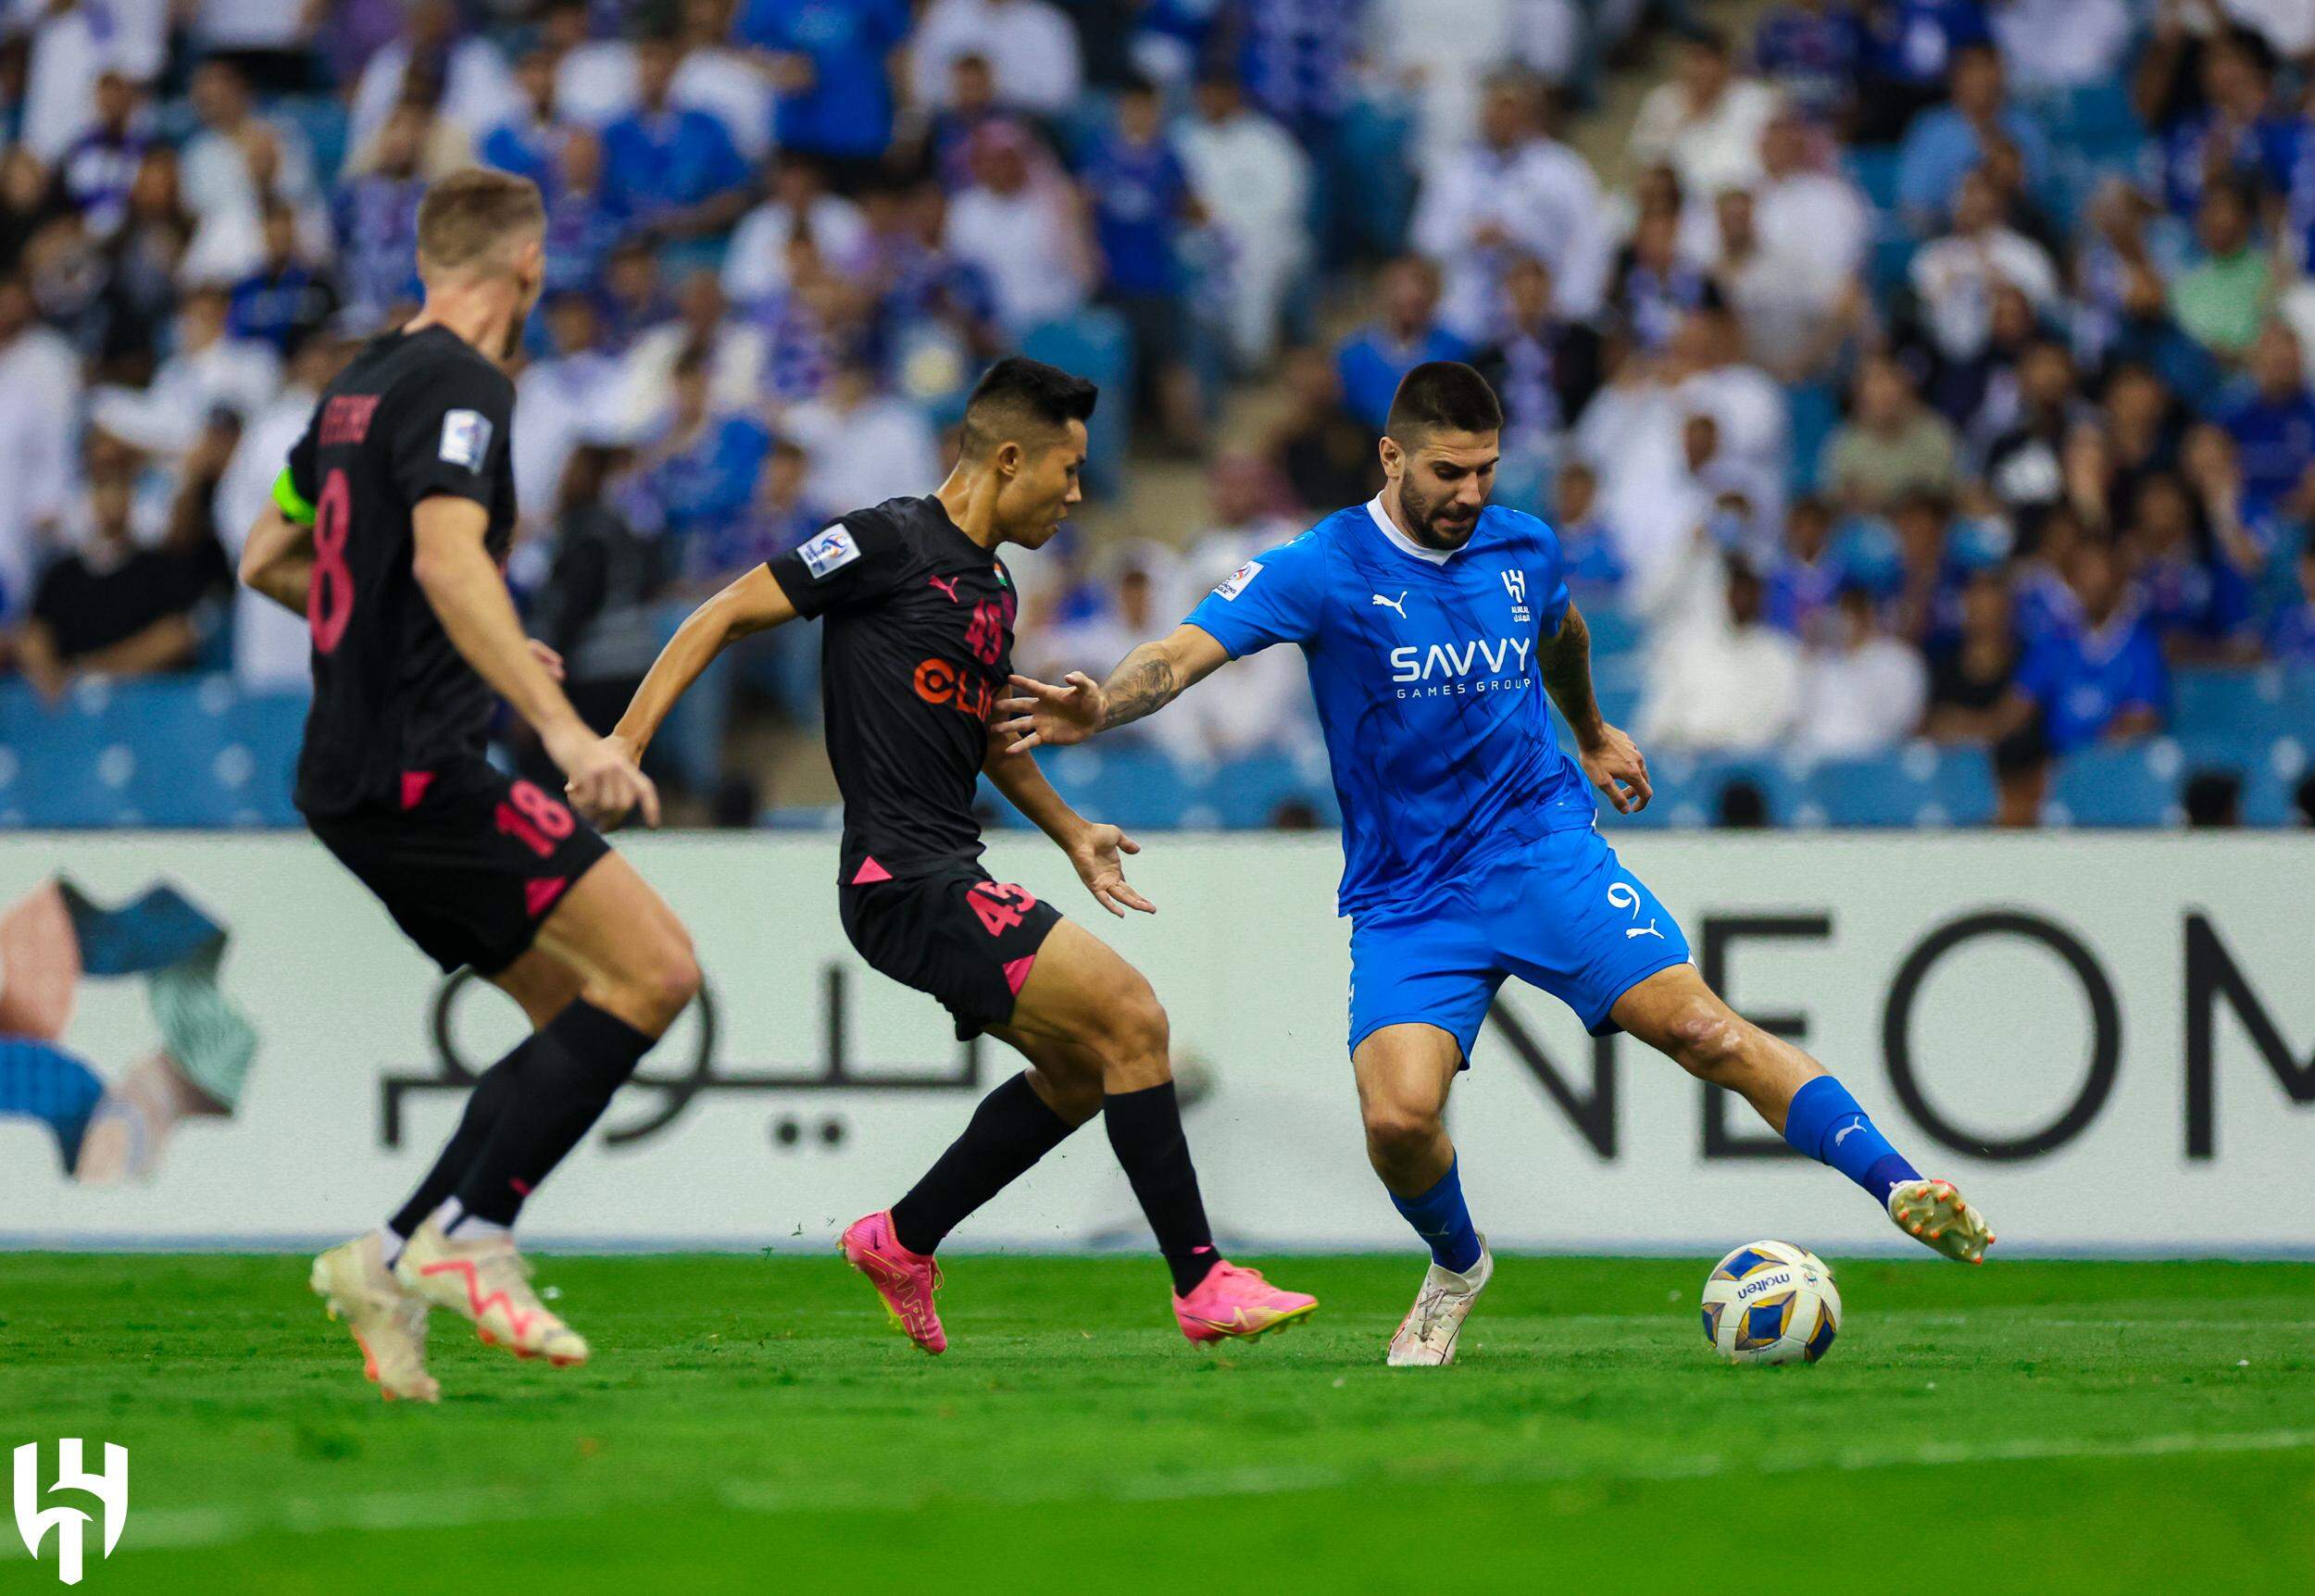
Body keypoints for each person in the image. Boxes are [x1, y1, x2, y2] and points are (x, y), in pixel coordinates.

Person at [998, 362, 1995, 1368]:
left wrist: (1593, 731)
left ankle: (1897, 1180)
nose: (1470, 494)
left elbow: (1562, 629)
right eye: (1447, 471)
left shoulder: (1522, 544)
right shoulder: (1321, 564)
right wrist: (1101, 706)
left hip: (1539, 848)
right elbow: (1179, 653)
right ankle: (1458, 1263)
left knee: (1704, 1027)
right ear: (1391, 457)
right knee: (1397, 1118)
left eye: (1484, 469)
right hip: (1409, 894)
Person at [584, 357, 1317, 1353]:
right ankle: (1200, 1280)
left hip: (944, 870)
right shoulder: (884, 539)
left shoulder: (993, 586)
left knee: (1076, 1070)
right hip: (900, 875)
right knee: (1134, 1017)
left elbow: (985, 738)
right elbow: (717, 612)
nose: (1075, 493)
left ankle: (902, 1237)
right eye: (1066, 470)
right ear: (1008, 457)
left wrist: (1071, 830)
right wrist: (623, 743)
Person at [237, 169, 701, 1403]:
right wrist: (562, 729)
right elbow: (445, 554)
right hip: (417, 769)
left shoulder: (353, 388)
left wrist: (455, 635)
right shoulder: (462, 382)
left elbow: (269, 557)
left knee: (571, 1010)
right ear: (528, 268)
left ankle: (385, 1260)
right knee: (657, 972)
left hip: (346, 772)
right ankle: (477, 1235)